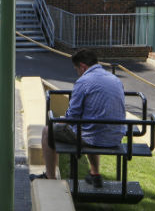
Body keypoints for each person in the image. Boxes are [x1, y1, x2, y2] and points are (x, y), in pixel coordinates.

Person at [31, 49, 126, 188]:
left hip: (94, 137)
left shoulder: (83, 82)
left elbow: (72, 116)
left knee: (47, 131)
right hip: (115, 136)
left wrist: (60, 121)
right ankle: (95, 173)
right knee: (88, 128)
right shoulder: (115, 79)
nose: (77, 73)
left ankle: (49, 177)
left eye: (77, 70)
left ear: (83, 67)